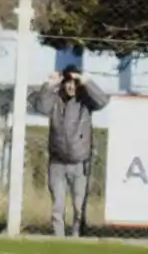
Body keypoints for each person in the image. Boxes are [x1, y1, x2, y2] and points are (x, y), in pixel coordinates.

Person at [37, 67, 107, 237]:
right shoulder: (55, 100)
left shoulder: (86, 102)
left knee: (79, 207)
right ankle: (58, 239)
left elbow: (102, 101)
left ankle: (77, 237)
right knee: (57, 207)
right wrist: (48, 85)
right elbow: (41, 107)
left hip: (80, 163)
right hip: (57, 163)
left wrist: (86, 81)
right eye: (68, 83)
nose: (71, 87)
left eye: (74, 83)